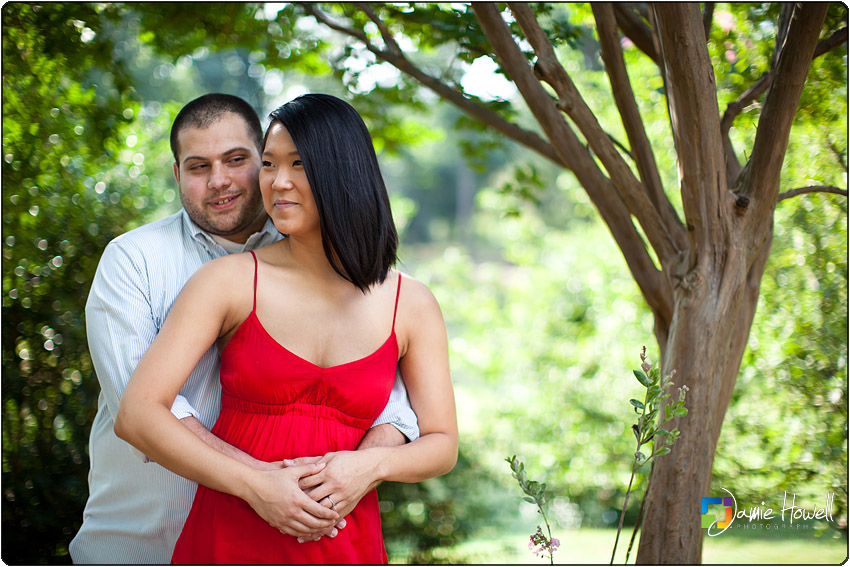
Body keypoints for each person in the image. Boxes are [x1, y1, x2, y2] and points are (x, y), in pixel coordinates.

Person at [69, 93, 419, 564]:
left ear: (263, 161)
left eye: (237, 160)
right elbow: (146, 410)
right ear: (176, 174)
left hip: (281, 539)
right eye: (197, 167)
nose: (219, 181)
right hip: (141, 540)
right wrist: (264, 485)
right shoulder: (134, 261)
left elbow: (390, 402)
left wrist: (350, 475)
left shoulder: (317, 256)